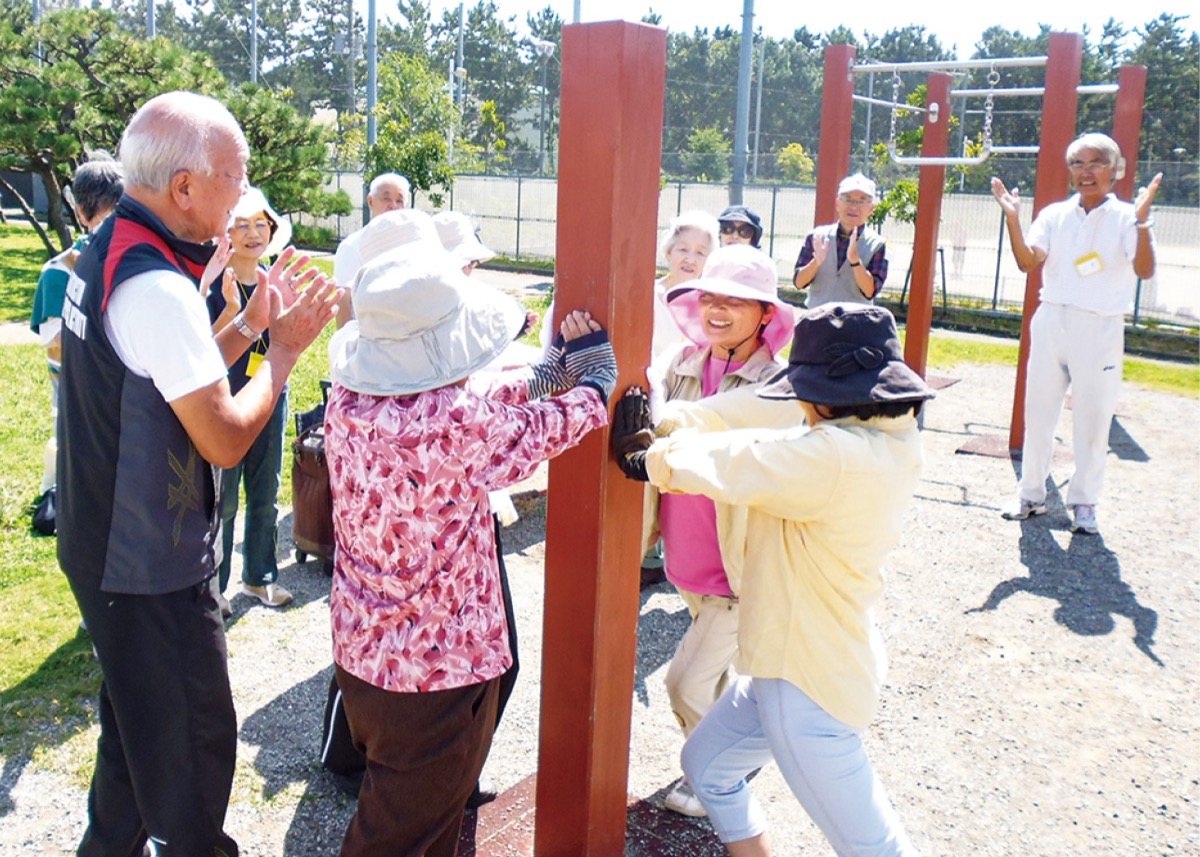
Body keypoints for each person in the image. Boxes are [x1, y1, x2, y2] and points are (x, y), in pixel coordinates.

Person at [56, 90, 341, 857]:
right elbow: (219, 434)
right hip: (148, 563)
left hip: (106, 541)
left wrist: (248, 324)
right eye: (234, 175)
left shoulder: (110, 242)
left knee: (134, 739)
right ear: (184, 187)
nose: (244, 192)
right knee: (190, 749)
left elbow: (171, 376)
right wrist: (281, 355)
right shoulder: (156, 284)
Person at [324, 235, 616, 856]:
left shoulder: (348, 402)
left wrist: (544, 377)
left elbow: (467, 407)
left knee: (411, 820)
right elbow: (535, 427)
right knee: (398, 837)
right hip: (436, 672)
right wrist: (592, 386)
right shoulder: (455, 423)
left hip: (367, 655)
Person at [612, 303, 934, 857]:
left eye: (803, 389)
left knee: (874, 848)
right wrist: (670, 418)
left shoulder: (834, 455)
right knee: (707, 767)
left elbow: (747, 458)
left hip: (807, 685)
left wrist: (652, 459)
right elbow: (752, 414)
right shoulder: (881, 434)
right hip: (797, 661)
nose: (797, 402)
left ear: (830, 396)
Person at [647, 244, 794, 818]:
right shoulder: (680, 363)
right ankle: (727, 755)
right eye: (710, 296)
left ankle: (717, 772)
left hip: (738, 570)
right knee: (713, 673)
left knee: (684, 683)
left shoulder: (777, 384)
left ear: (765, 316)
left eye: (737, 301)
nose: (717, 309)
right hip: (687, 562)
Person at [993, 132, 1161, 535]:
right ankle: (1030, 494)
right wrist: (1013, 219)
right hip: (1052, 317)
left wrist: (1141, 221)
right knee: (1038, 412)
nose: (1086, 173)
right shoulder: (1054, 215)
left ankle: (1084, 502)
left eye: (1096, 163)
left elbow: (1144, 270)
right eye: (1078, 165)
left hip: (1100, 324)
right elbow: (1026, 261)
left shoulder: (1126, 216)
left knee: (1093, 417)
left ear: (1114, 170)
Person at [207, 186, 295, 613]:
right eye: (241, 225)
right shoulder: (210, 284)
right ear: (226, 232)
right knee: (221, 497)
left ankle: (259, 578)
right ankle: (216, 585)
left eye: (261, 224)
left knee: (266, 488)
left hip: (269, 395)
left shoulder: (274, 283)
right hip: (223, 398)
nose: (253, 233)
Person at [30, 155, 125, 498]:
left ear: (80, 213)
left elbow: (56, 353)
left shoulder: (56, 271)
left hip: (77, 415)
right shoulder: (145, 263)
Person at [792, 173, 888, 307]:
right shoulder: (817, 236)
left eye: (861, 201)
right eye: (848, 199)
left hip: (857, 322)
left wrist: (855, 262)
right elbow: (798, 283)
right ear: (837, 203)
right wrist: (816, 262)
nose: (854, 206)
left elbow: (870, 291)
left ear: (871, 208)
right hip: (818, 319)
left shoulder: (877, 244)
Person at [334, 172, 410, 327]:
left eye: (399, 201)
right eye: (386, 198)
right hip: (365, 338)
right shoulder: (352, 246)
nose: (393, 206)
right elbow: (343, 301)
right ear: (370, 201)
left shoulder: (410, 245)